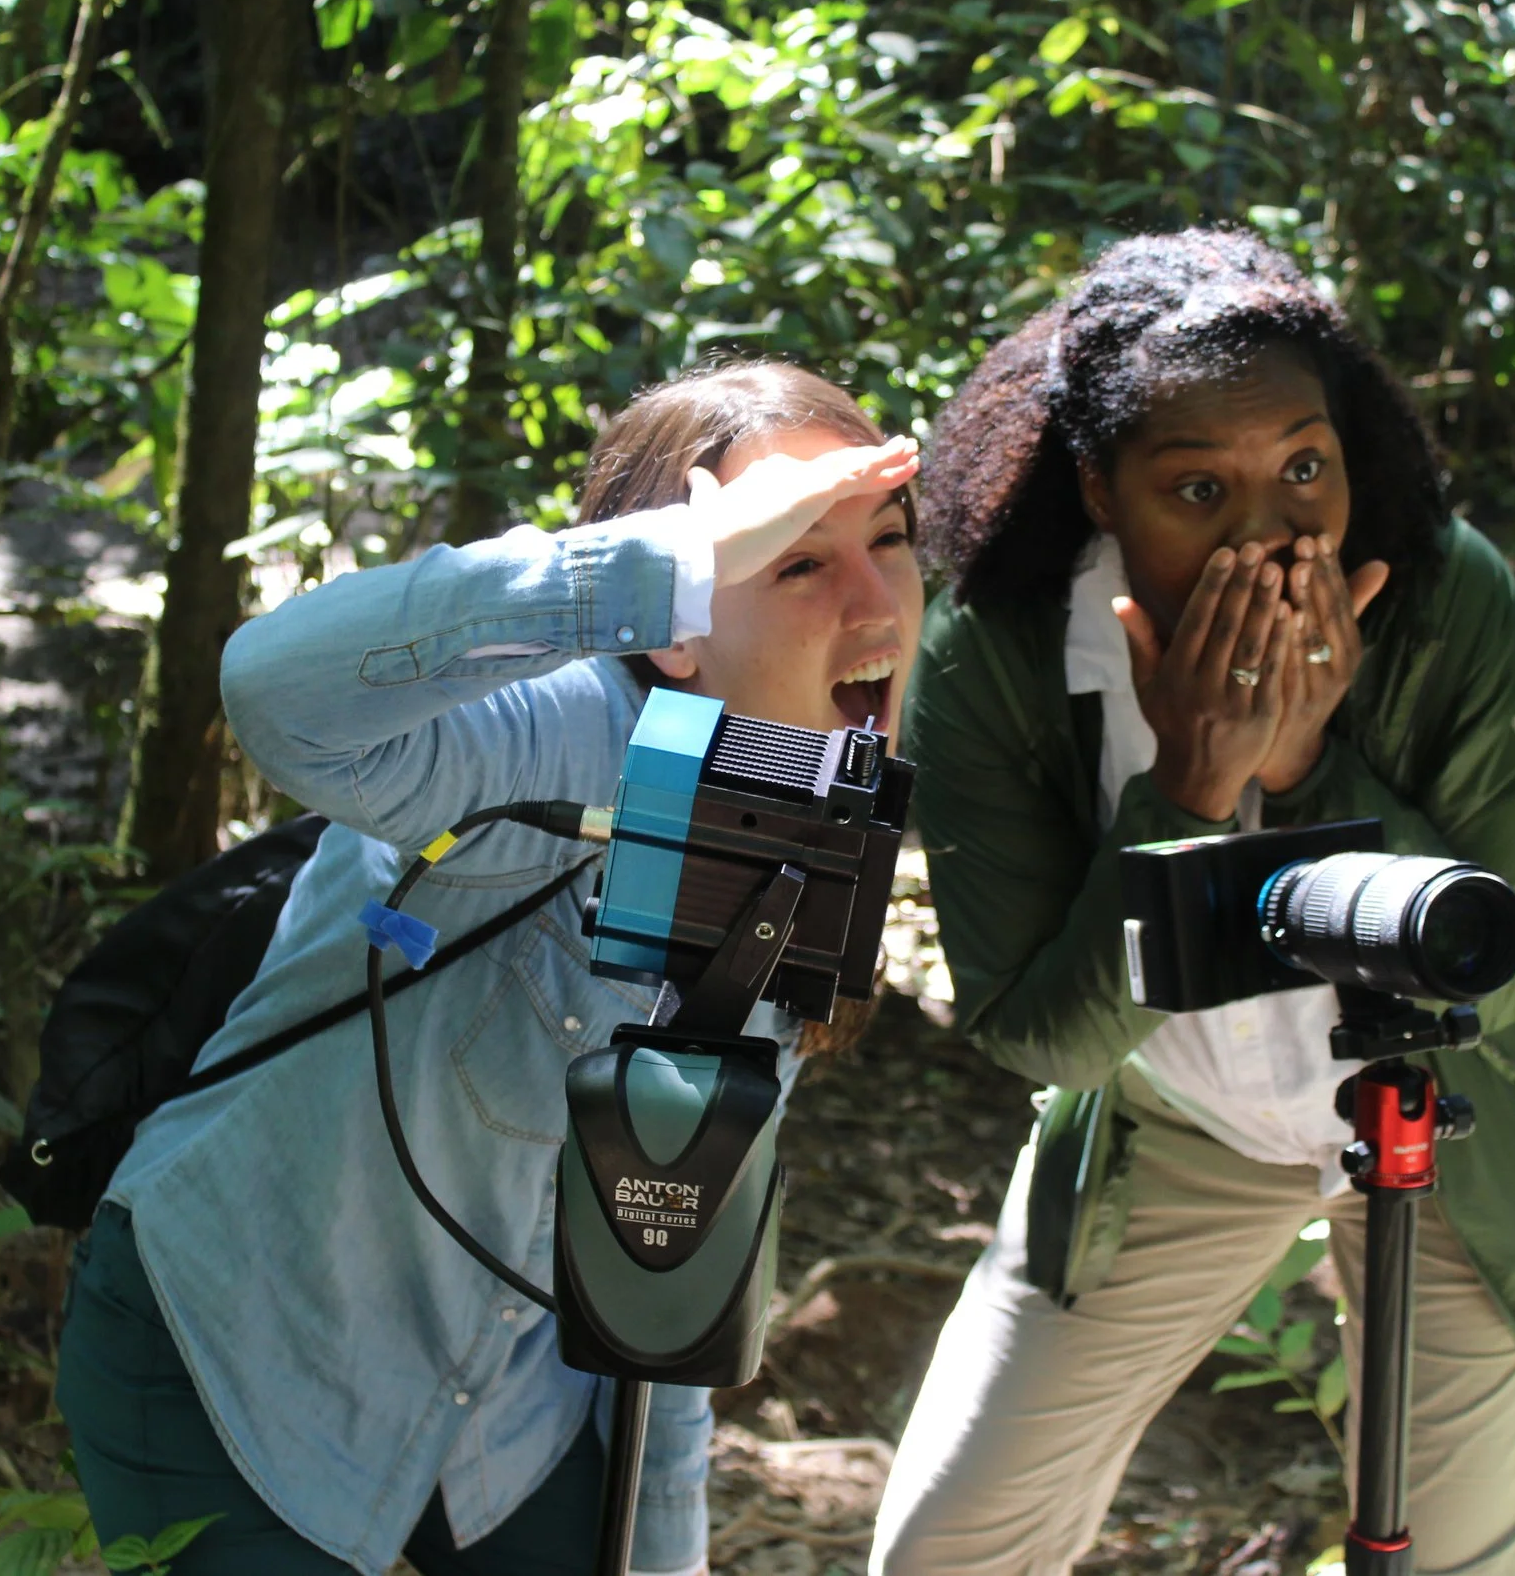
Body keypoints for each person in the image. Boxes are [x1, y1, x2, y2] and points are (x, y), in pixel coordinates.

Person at [56, 362, 924, 1576]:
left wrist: (661, 1552)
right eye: (794, 559)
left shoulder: (815, 816)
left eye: (891, 540)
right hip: (233, 1359)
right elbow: (270, 689)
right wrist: (660, 561)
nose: (877, 601)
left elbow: (668, 1251)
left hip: (507, 1410)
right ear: (673, 629)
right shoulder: (539, 734)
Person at [870, 230, 1515, 1576]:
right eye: (1198, 487)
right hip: (1177, 1115)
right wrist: (1192, 788)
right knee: (950, 1545)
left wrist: (1305, 765)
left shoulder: (1444, 601)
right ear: (1101, 489)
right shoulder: (998, 649)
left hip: (1450, 1119)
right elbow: (1040, 1034)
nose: (1269, 530)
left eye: (1302, 468)